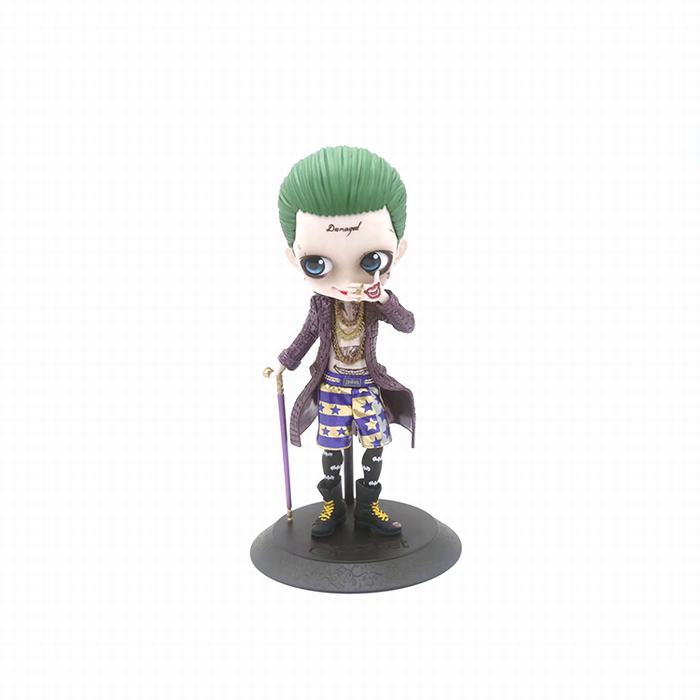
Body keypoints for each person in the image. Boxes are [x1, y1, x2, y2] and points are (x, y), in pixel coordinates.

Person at [274, 146, 416, 538]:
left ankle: (367, 504)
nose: (347, 278)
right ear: (295, 258)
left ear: (398, 251)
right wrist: (284, 362)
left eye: (371, 259)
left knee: (375, 443)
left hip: (367, 384)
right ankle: (333, 505)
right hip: (333, 386)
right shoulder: (322, 304)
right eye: (317, 263)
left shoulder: (374, 303)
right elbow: (306, 336)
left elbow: (407, 324)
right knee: (332, 449)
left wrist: (383, 299)